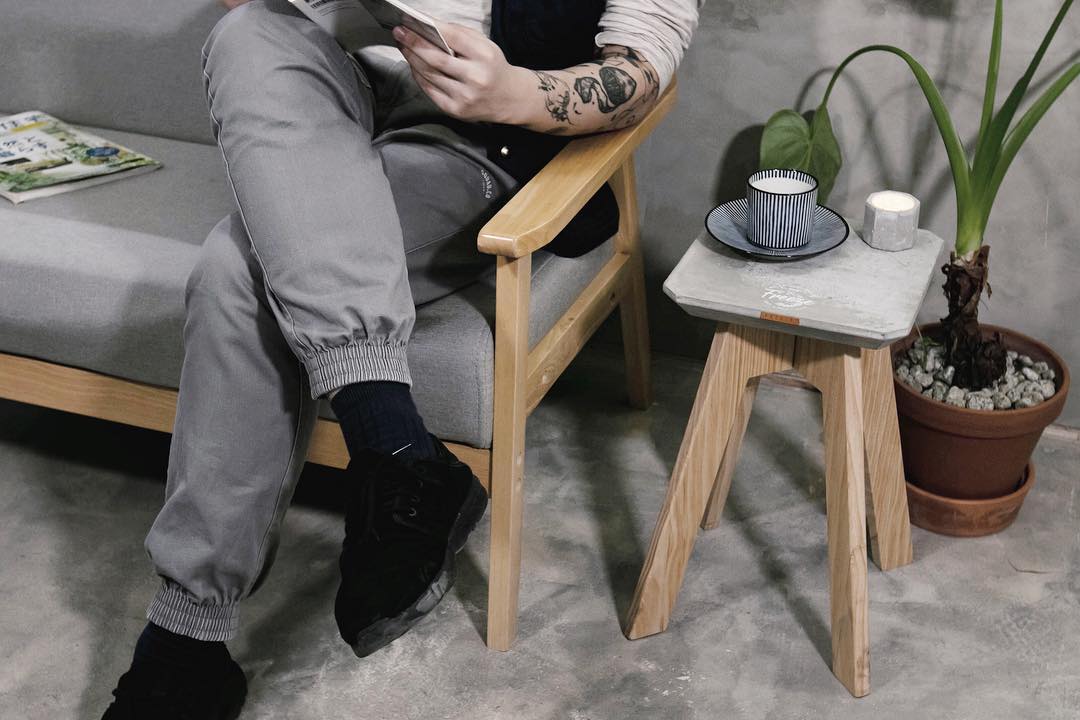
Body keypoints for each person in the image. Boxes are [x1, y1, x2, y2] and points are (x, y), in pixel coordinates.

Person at [102, 0, 701, 717]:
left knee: (237, 271)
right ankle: (394, 444)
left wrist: (512, 93)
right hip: (335, 98)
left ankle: (185, 641)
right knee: (248, 29)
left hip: (475, 142)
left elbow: (639, 71)